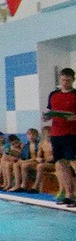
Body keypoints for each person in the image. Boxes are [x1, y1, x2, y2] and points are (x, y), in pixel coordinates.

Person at [45, 67, 76, 205]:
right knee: (61, 164)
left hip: (72, 134)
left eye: (68, 80)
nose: (65, 83)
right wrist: (46, 117)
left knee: (74, 163)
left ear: (73, 80)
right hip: (56, 134)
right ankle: (69, 194)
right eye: (63, 80)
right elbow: (51, 112)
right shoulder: (53, 94)